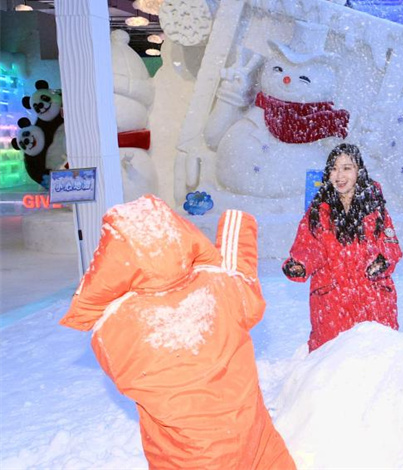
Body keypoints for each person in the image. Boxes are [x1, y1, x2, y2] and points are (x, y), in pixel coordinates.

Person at [59, 195, 296, 470]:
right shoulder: (219, 289)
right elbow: (244, 283)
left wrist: (99, 296)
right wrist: (238, 226)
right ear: (181, 236)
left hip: (184, 458)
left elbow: (127, 376)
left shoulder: (114, 327)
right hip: (252, 439)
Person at [283, 143, 402, 352]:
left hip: (371, 298)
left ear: (359, 172)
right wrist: (300, 264)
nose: (339, 175)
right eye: (334, 168)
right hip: (332, 301)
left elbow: (390, 245)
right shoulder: (318, 211)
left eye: (347, 168)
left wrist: (381, 260)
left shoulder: (375, 207)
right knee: (331, 367)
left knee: (376, 362)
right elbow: (309, 246)